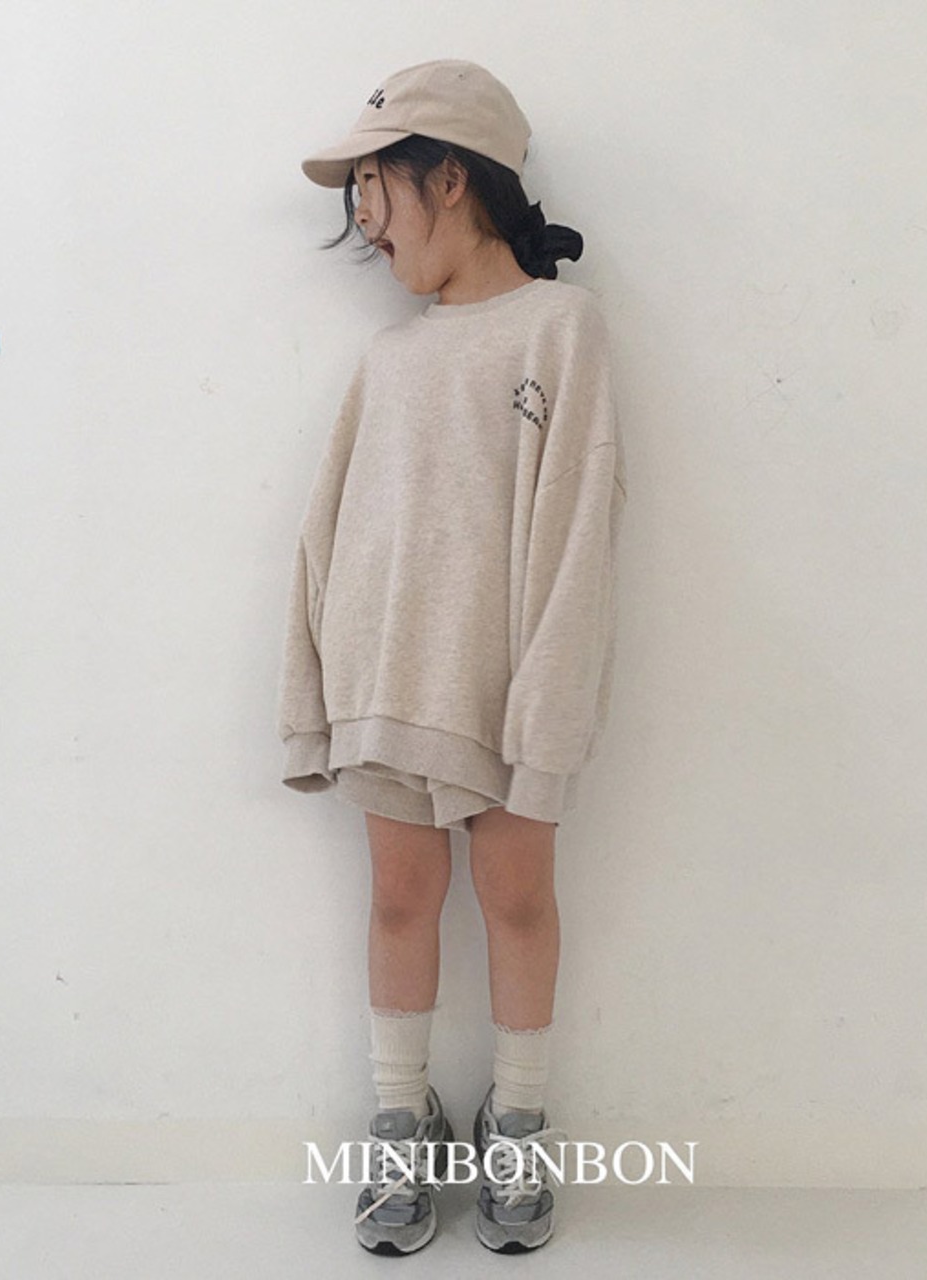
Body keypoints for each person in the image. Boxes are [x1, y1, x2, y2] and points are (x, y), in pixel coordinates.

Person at [278, 58, 628, 1256]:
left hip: (507, 686)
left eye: (373, 190)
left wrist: (548, 699)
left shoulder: (560, 328)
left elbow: (578, 523)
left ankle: (515, 1116)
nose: (364, 222)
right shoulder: (388, 359)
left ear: (450, 179)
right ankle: (401, 1114)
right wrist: (318, 693)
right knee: (399, 898)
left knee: (517, 897)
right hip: (388, 684)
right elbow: (329, 533)